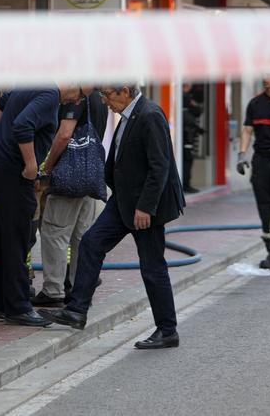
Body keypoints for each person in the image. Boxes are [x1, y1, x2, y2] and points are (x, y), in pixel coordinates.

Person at [40, 84, 185, 350]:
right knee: (92, 243)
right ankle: (77, 310)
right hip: (124, 201)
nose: (105, 101)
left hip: (144, 207)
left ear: (125, 91)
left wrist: (146, 207)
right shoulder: (129, 114)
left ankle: (167, 330)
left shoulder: (150, 114)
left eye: (108, 95)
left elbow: (159, 166)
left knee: (152, 268)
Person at [0, 85, 84, 327]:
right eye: (82, 94)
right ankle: (18, 307)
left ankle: (3, 304)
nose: (78, 100)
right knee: (18, 238)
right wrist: (31, 165)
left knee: (4, 238)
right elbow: (22, 125)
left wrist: (2, 141)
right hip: (13, 172)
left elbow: (0, 105)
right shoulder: (50, 95)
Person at [32, 87, 108, 306]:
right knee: (81, 236)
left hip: (69, 175)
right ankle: (78, 288)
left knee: (54, 232)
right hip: (90, 175)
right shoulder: (98, 96)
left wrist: (47, 168)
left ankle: (53, 291)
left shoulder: (74, 96)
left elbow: (65, 134)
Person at [236, 74, 270, 270]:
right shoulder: (255, 104)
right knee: (264, 206)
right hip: (261, 163)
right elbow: (247, 130)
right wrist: (241, 155)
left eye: (268, 74)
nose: (264, 78)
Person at [182, 84, 204, 194]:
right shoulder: (185, 97)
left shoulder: (184, 98)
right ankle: (185, 184)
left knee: (187, 160)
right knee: (187, 160)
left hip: (187, 136)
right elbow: (198, 110)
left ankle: (185, 184)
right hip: (186, 137)